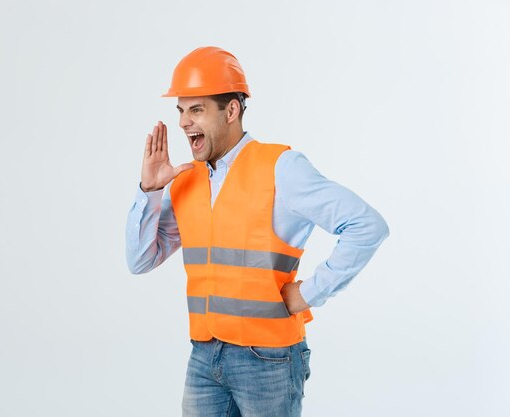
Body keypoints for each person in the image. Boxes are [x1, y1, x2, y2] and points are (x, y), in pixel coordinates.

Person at [125, 46, 389, 417]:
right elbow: (139, 260)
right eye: (181, 111)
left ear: (231, 110)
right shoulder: (187, 179)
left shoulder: (281, 168)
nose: (184, 122)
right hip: (204, 354)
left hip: (268, 360)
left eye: (196, 109)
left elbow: (367, 225)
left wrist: (309, 293)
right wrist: (150, 191)